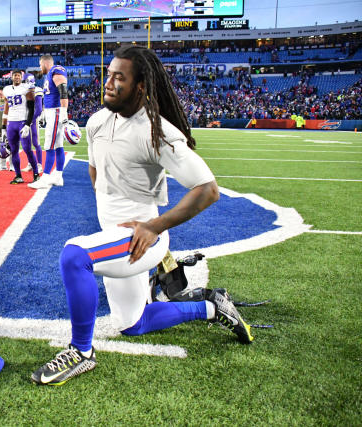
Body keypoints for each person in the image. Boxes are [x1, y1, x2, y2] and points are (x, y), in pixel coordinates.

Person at [31, 46, 253, 386]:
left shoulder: (156, 131)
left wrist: (153, 225)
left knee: (74, 256)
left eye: (120, 78)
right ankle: (212, 305)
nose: (109, 83)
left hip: (143, 237)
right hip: (117, 235)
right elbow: (96, 172)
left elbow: (208, 189)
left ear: (141, 87)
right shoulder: (96, 122)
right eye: (108, 75)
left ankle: (81, 353)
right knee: (132, 324)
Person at [29, 55, 69, 189]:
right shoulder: (49, 75)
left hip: (57, 111)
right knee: (57, 145)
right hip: (52, 111)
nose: (40, 68)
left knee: (49, 145)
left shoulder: (55, 70)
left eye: (40, 65)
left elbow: (63, 91)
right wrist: (45, 113)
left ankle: (45, 178)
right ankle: (58, 177)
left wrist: (63, 111)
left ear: (45, 63)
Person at [2, 69, 39, 184]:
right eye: (15, 76)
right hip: (11, 123)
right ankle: (18, 175)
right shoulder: (6, 89)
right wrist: (3, 127)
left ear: (21, 77)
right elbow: (6, 107)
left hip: (22, 121)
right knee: (13, 150)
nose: (17, 77)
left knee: (27, 149)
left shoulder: (26, 88)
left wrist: (28, 124)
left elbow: (32, 108)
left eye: (18, 76)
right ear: (12, 77)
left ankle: (36, 174)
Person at [22, 73, 44, 174]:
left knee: (35, 142)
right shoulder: (24, 91)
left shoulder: (37, 90)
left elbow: (39, 109)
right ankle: (31, 163)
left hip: (32, 120)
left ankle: (39, 164)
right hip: (24, 119)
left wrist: (30, 120)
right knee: (26, 144)